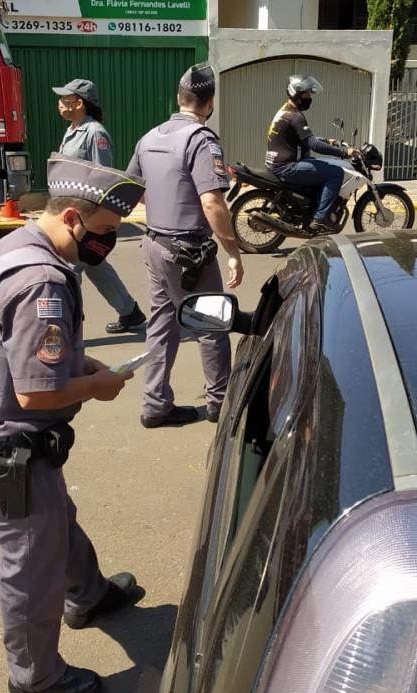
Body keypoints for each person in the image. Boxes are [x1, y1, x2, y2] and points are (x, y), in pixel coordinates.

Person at [0, 153, 145, 693]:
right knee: (32, 561)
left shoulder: (14, 246)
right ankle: (35, 675)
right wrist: (97, 385)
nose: (107, 245)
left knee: (56, 519)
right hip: (11, 447)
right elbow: (37, 392)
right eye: (105, 232)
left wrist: (78, 364)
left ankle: (88, 594)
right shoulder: (42, 283)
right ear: (73, 220)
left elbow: (21, 352)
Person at [128, 63, 243, 429]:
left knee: (162, 324)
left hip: (154, 245)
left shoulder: (149, 138)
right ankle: (219, 405)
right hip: (188, 251)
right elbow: (213, 203)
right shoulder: (201, 140)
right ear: (209, 103)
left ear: (179, 99)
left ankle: (155, 405)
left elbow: (132, 191)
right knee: (211, 327)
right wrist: (233, 253)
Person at [52, 78, 147, 335]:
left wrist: (93, 222)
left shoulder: (95, 133)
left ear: (79, 102)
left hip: (86, 218)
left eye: (65, 98)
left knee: (69, 270)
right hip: (71, 215)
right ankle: (132, 315)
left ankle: (67, 328)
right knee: (96, 266)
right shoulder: (73, 130)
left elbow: (101, 177)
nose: (60, 103)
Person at [265, 74, 357, 234]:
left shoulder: (285, 111)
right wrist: (344, 152)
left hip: (279, 164)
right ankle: (320, 219)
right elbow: (313, 144)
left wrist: (328, 141)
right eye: (308, 94)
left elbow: (303, 138)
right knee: (335, 173)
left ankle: (312, 209)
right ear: (297, 94)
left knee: (321, 166)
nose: (310, 98)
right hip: (288, 167)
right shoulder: (295, 116)